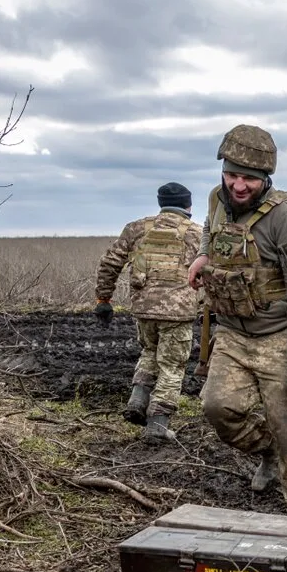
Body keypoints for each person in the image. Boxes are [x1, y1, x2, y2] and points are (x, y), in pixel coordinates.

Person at [187, 124, 287, 515]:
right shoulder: (218, 198)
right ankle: (268, 452)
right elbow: (209, 228)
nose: (238, 185)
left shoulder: (286, 217)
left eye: (248, 178)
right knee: (218, 409)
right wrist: (203, 255)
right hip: (232, 333)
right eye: (232, 175)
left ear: (266, 178)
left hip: (278, 338)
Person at [94, 182, 202, 443]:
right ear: (188, 205)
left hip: (144, 309)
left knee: (150, 351)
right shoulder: (197, 233)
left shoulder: (136, 229)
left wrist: (104, 298)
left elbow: (110, 263)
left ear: (160, 202)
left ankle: (137, 400)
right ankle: (157, 425)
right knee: (172, 367)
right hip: (178, 312)